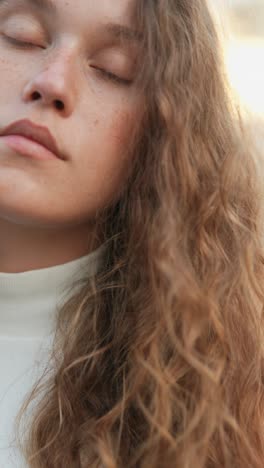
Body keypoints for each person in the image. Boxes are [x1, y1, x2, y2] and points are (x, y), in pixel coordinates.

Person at [0, 0, 263, 467]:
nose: (52, 82)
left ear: (161, 138)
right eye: (23, 37)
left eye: (113, 70)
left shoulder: (227, 396)